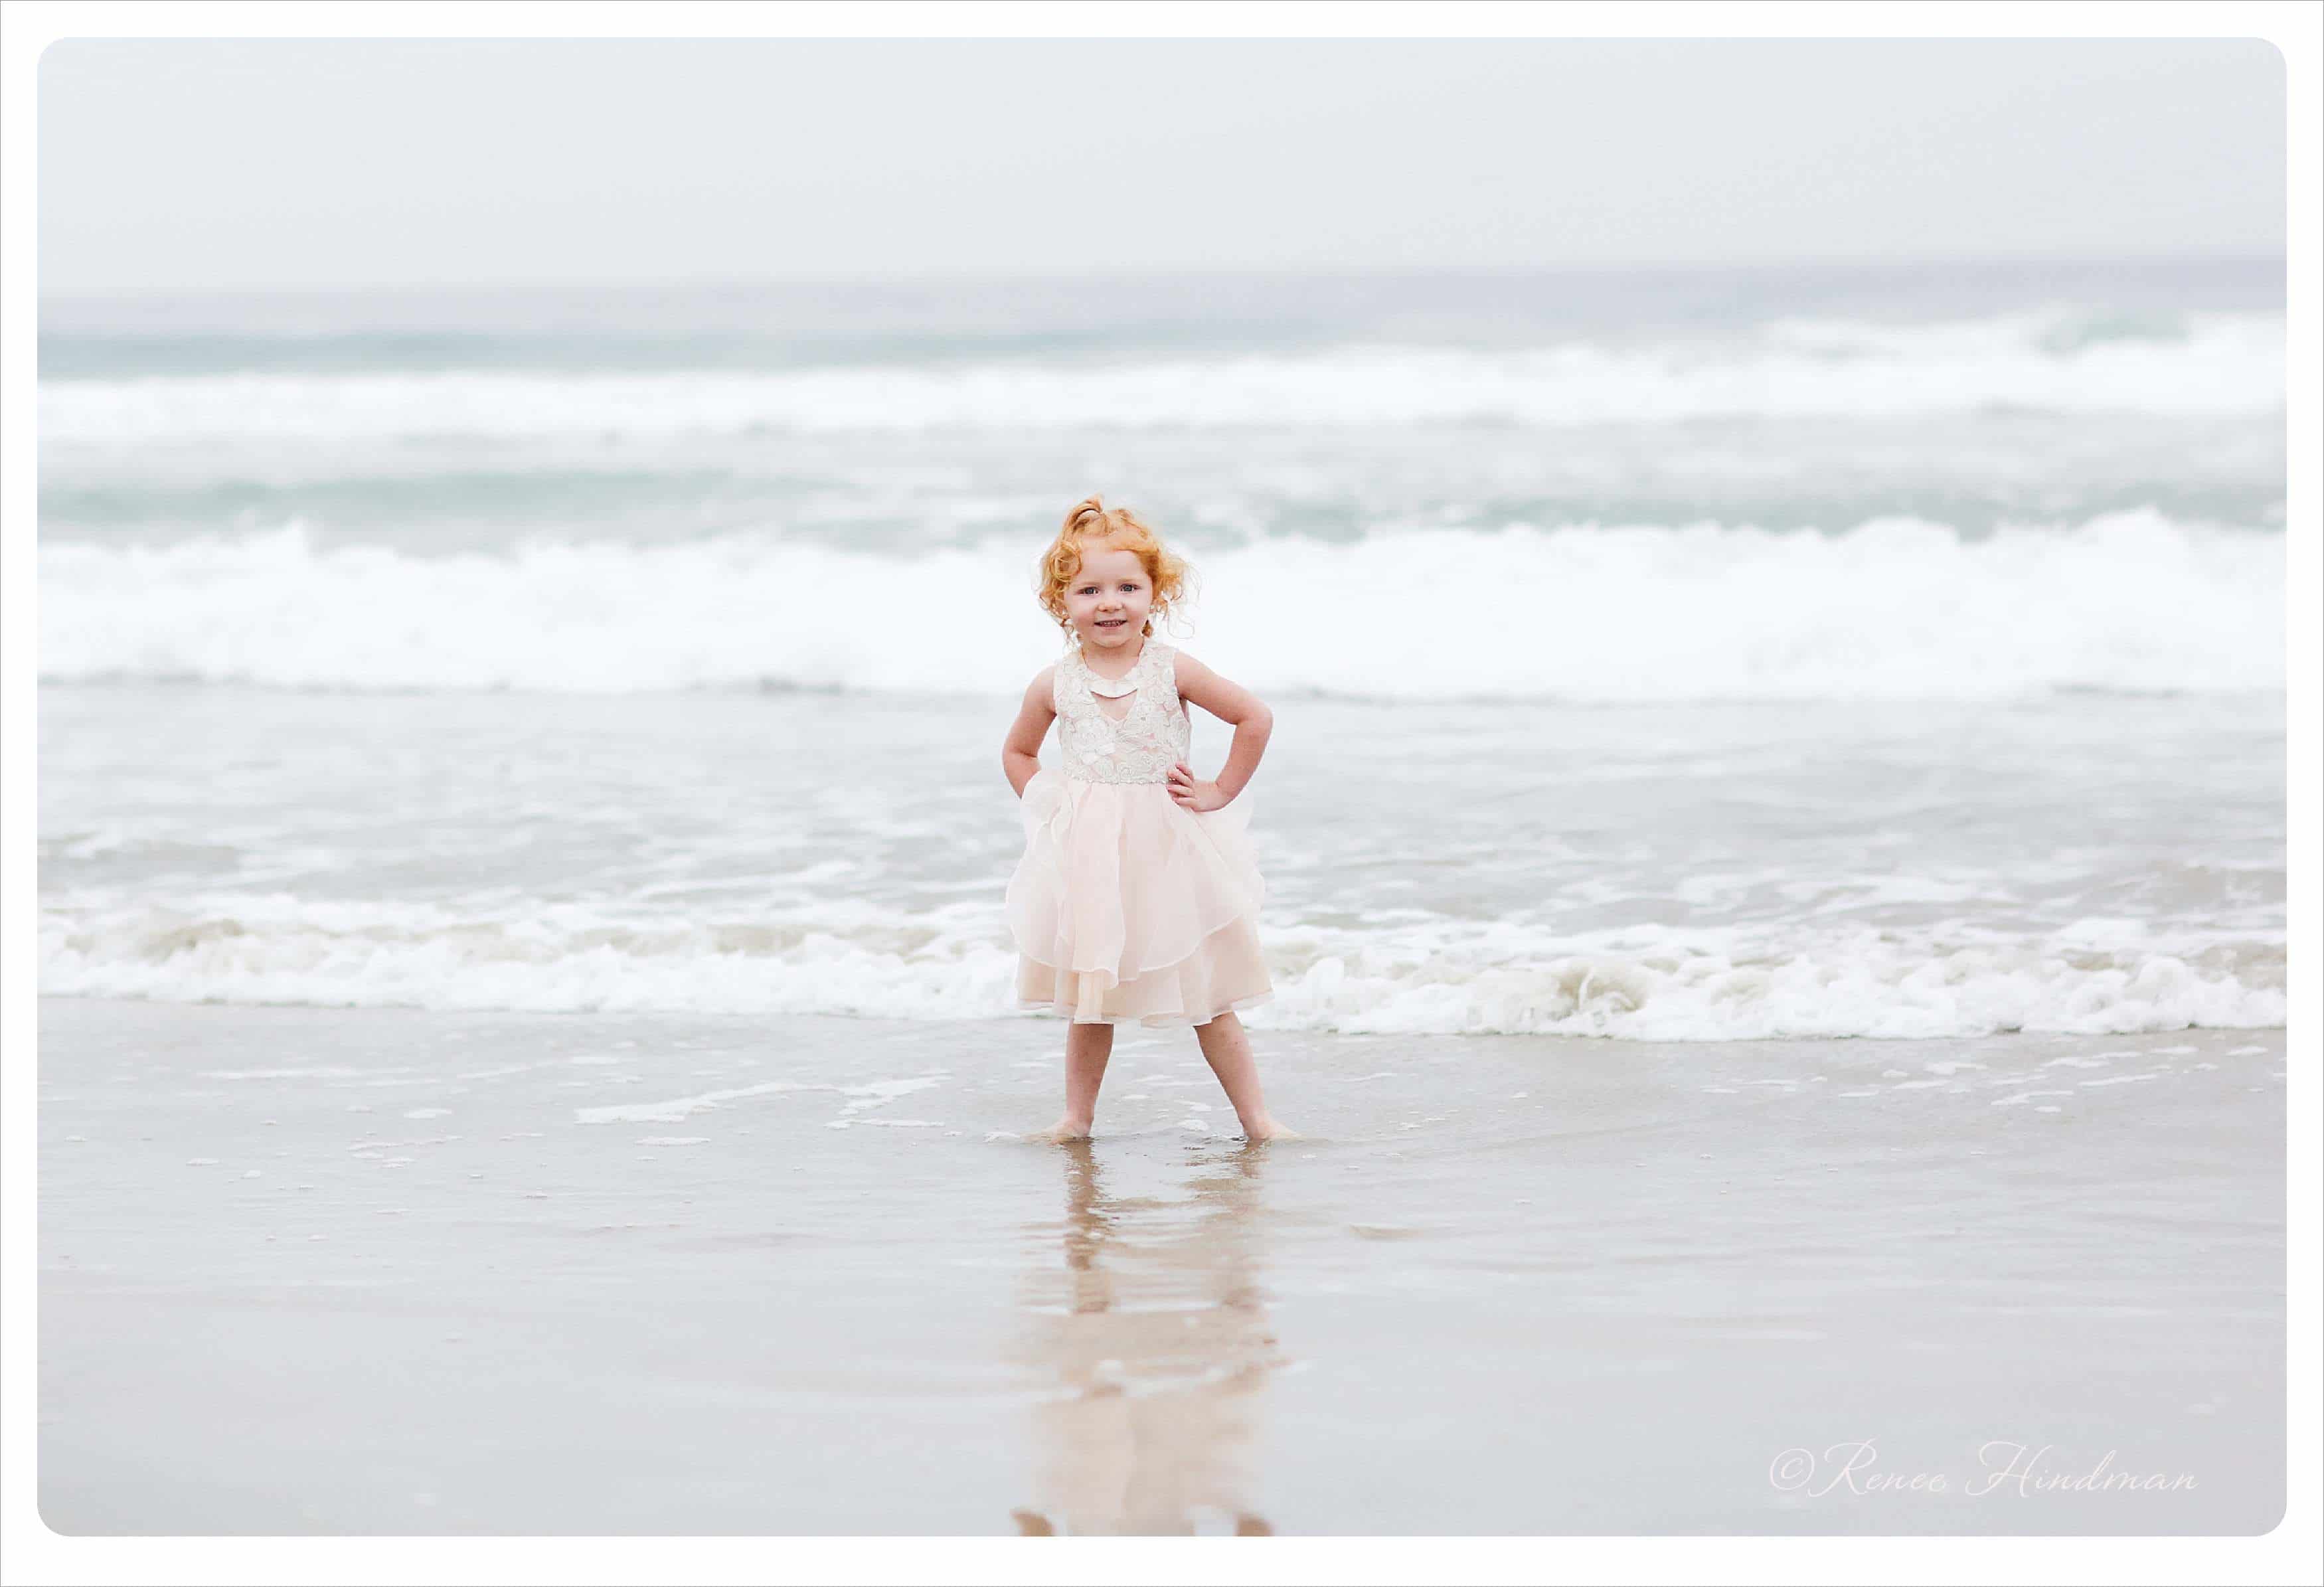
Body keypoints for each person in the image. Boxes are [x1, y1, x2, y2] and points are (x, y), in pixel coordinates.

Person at [1002, 495, 1295, 1145]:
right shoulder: (1054, 682)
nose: (1109, 602)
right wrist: (1048, 802)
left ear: (1154, 594)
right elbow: (1017, 752)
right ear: (1061, 602)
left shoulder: (1172, 670)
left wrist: (1219, 787)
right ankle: (1077, 1117)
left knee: (1208, 996)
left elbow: (1254, 717)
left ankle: (1257, 1120)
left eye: (1127, 587)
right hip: (1090, 858)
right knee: (1091, 996)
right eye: (1089, 589)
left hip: (1168, 852)